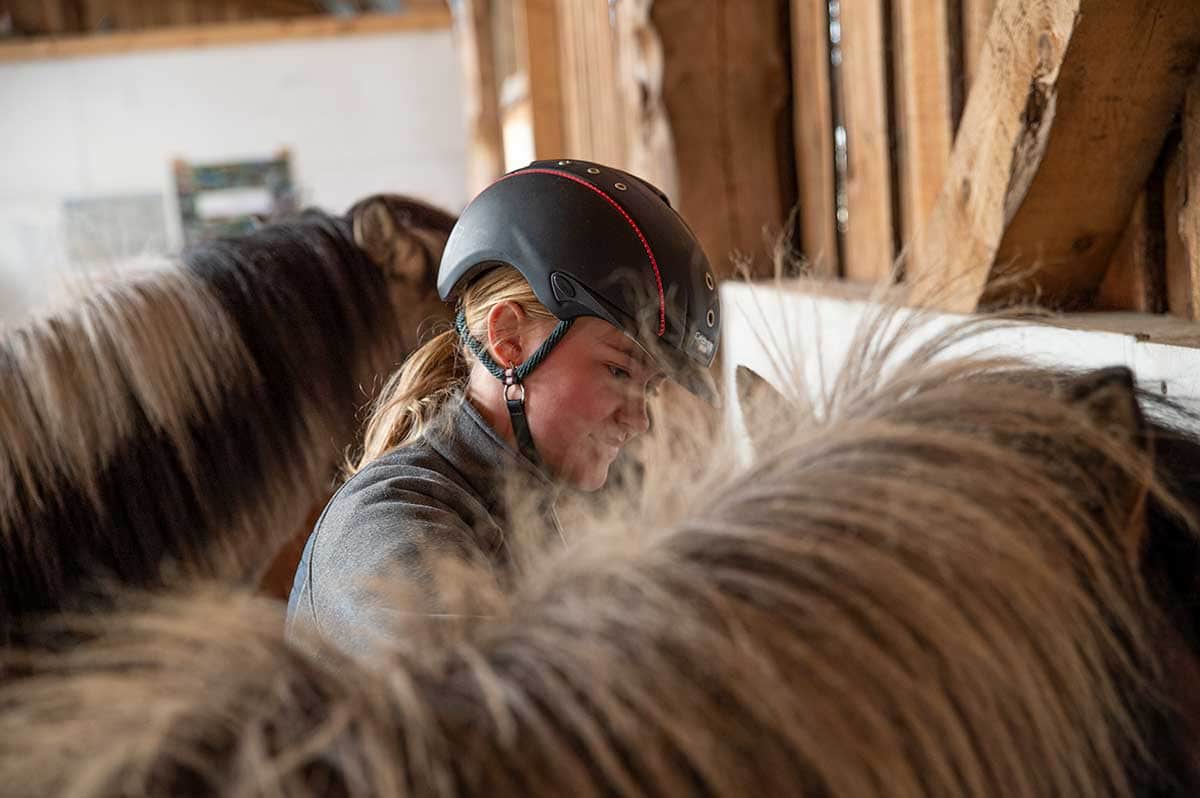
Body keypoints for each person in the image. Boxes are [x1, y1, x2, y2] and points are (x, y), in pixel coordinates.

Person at [286, 159, 721, 653]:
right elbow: (496, 707)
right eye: (619, 371)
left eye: (652, 386)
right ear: (509, 340)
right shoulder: (383, 530)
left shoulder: (543, 502)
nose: (638, 419)